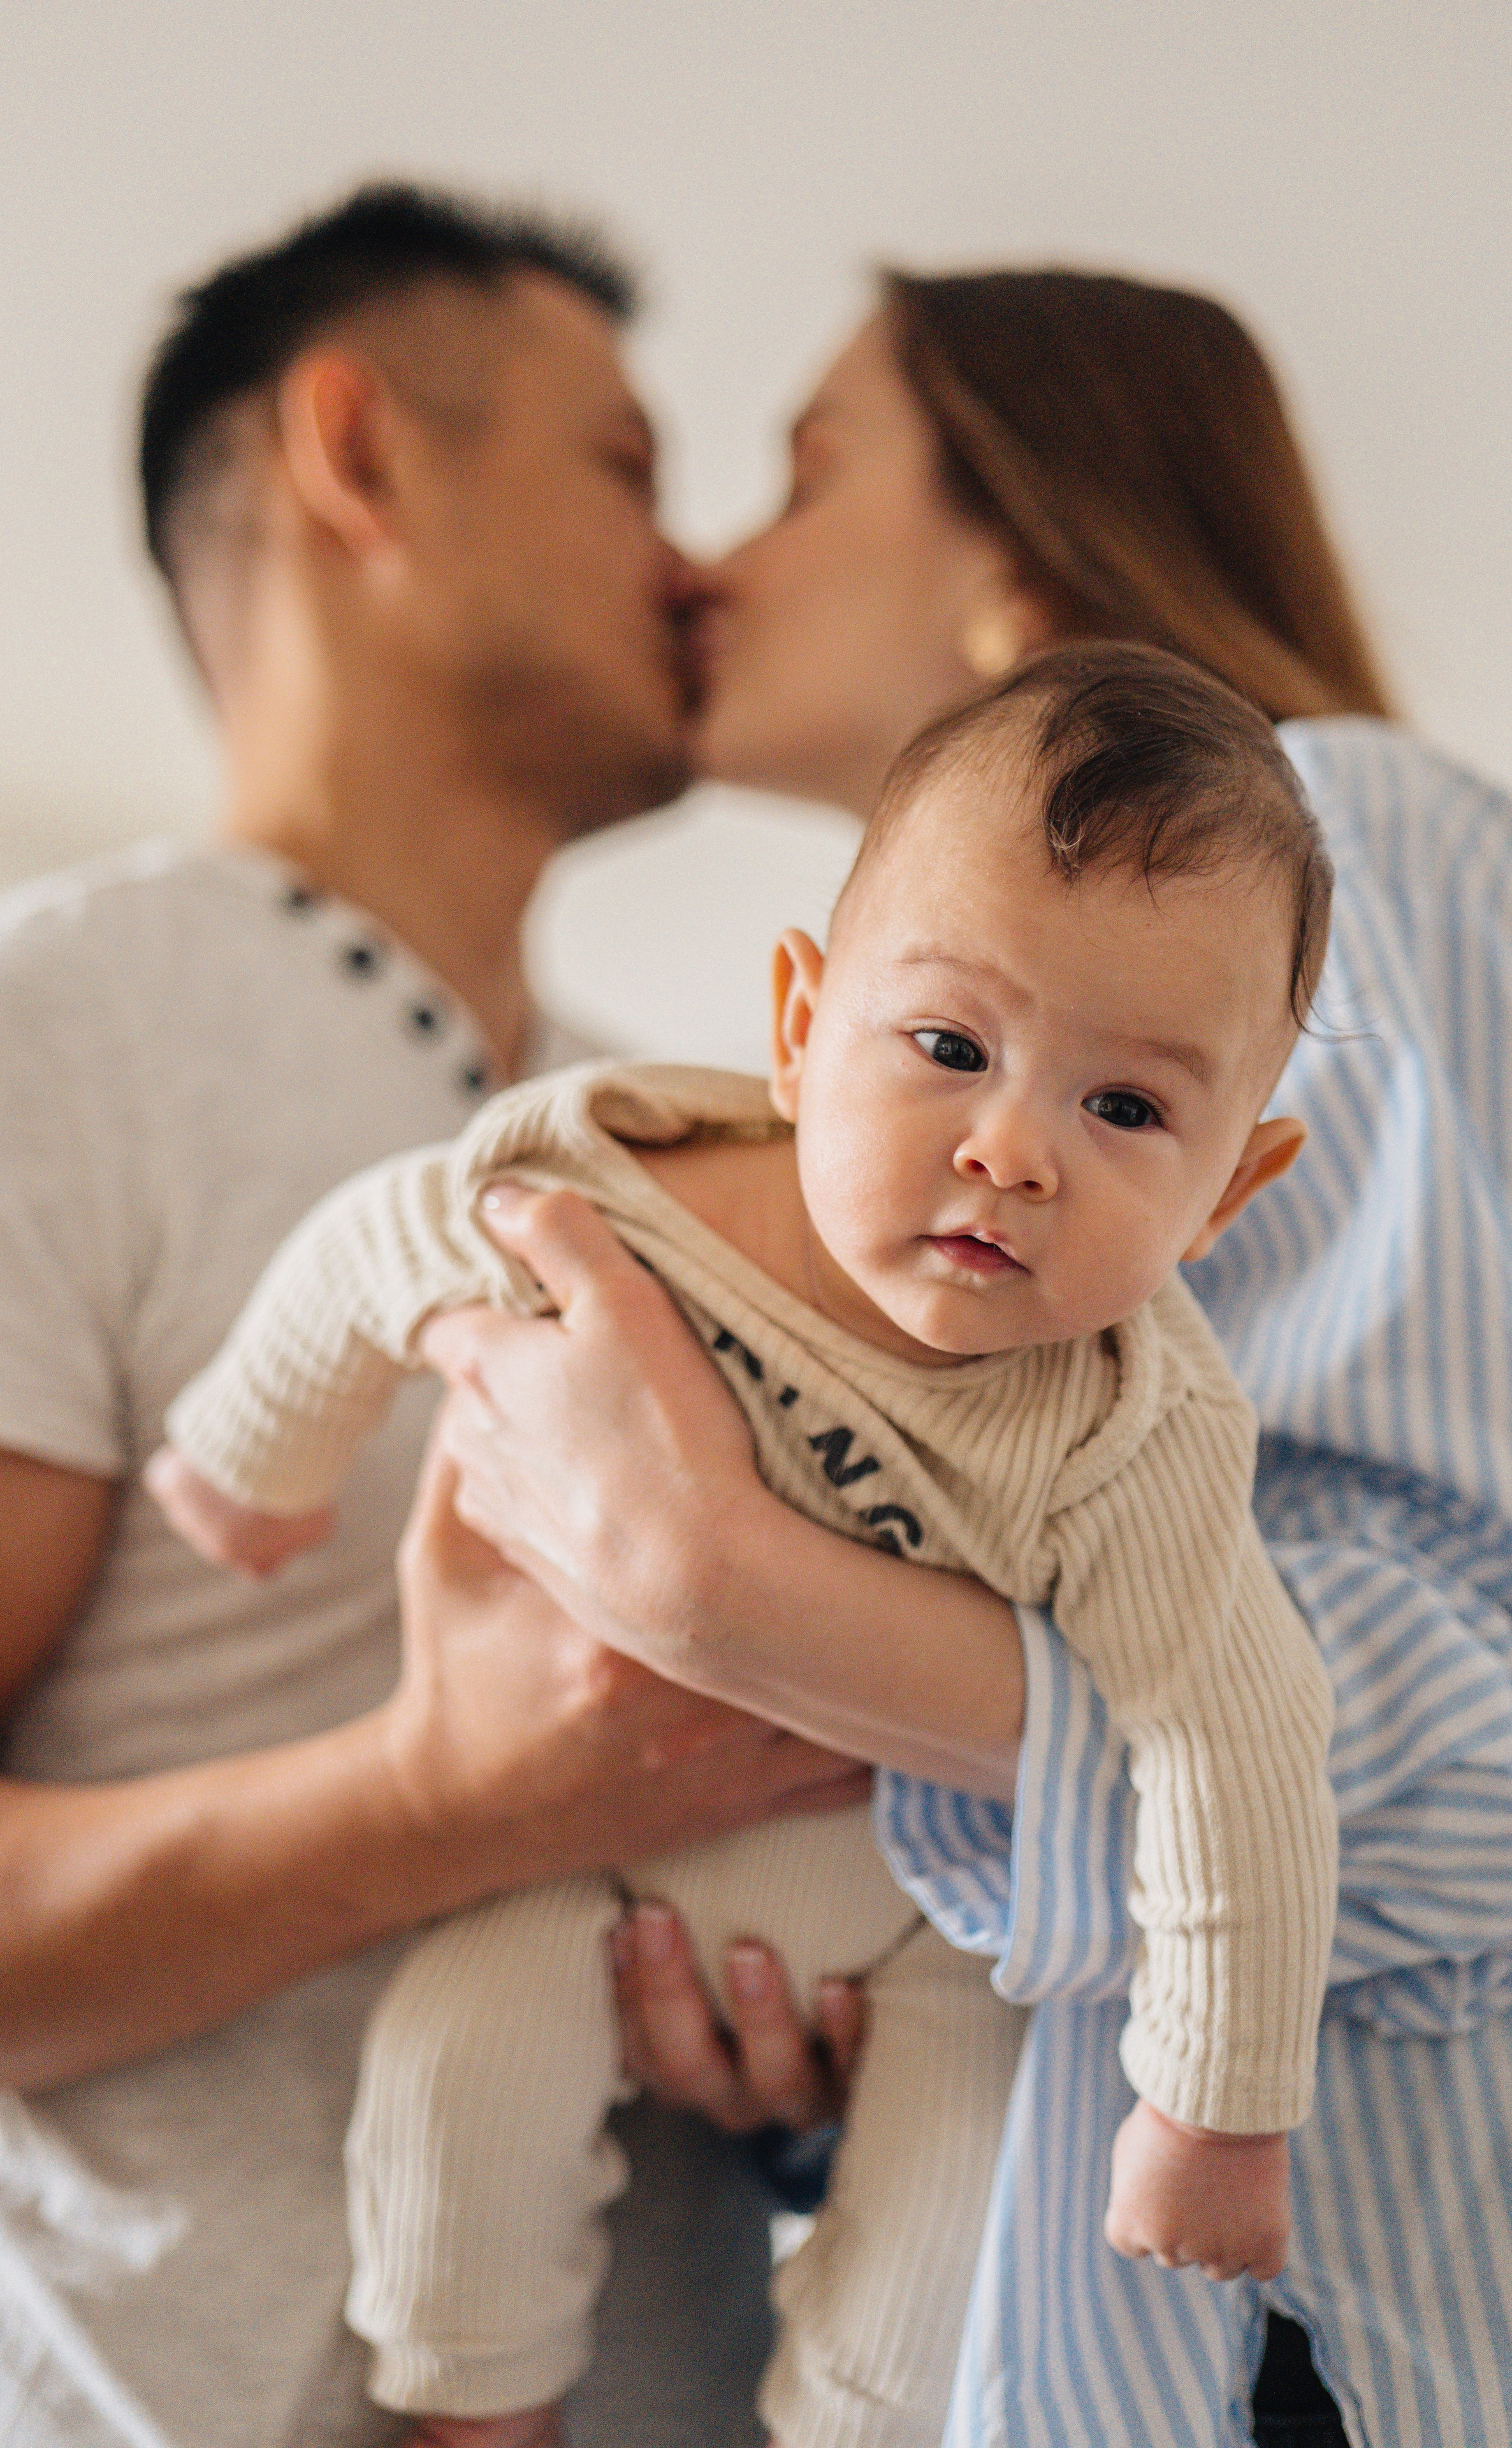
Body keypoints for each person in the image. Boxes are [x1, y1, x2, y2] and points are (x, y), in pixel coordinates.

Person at [414, 273, 1512, 2445]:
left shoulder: (1339, 834)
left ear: (1014, 553)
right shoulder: (887, 1193)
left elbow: (1478, 1758)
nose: (712, 557)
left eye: (809, 470)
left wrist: (732, 1595)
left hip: (1330, 2349)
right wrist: (834, 2048)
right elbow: (1078, 1880)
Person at [0, 184, 894, 2448]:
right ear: (362, 453)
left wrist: (808, 2048)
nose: (698, 559)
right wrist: (435, 1804)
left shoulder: (706, 1140)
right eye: (626, 467)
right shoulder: (31, 1026)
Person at [152, 640, 1341, 2448]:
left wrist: (1213, 2111)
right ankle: (479, 2423)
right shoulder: (638, 1203)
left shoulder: (1129, 1439)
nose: (1012, 1148)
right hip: (577, 1862)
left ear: (1229, 1192)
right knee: (452, 2074)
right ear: (799, 1028)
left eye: (1126, 1110)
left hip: (916, 1923)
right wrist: (258, 1453)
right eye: (948, 1047)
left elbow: (1239, 1742)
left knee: (955, 2254)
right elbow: (393, 1238)